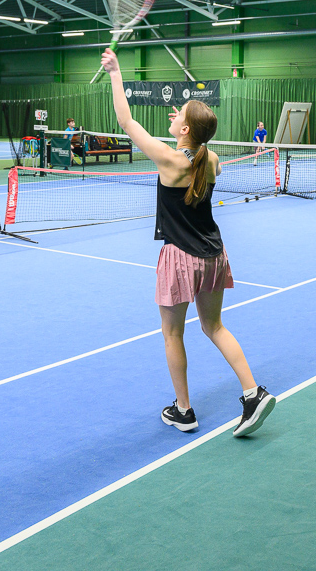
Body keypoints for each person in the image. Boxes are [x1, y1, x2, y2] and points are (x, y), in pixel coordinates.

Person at [100, 46, 275, 438]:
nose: (174, 114)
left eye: (179, 114)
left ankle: (183, 410)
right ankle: (253, 393)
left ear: (184, 130)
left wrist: (115, 71)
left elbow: (125, 120)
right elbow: (203, 157)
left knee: (173, 334)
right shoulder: (209, 159)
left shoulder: (169, 159)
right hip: (214, 254)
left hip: (180, 257)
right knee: (214, 326)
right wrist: (185, 132)